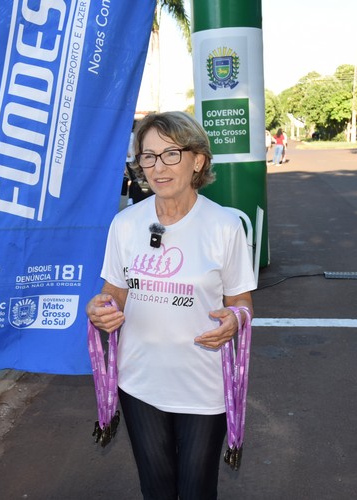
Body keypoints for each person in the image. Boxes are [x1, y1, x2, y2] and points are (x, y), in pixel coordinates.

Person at [86, 111, 255, 499]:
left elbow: (241, 300)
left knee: (197, 490)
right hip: (139, 380)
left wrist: (235, 319)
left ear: (197, 160)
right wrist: (100, 310)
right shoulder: (126, 224)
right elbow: (113, 293)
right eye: (148, 156)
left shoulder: (224, 225)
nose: (158, 167)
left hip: (202, 382)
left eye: (170, 154)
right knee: (157, 489)